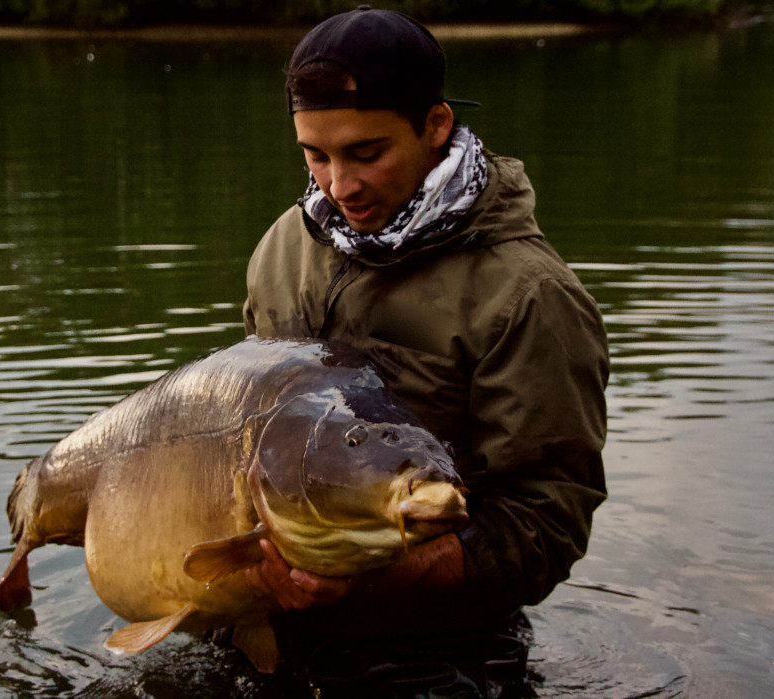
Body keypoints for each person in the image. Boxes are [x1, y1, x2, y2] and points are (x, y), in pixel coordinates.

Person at [241, 6, 609, 697]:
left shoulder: (527, 294)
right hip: (268, 619)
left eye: (366, 152)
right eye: (315, 155)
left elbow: (547, 520)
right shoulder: (281, 248)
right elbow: (243, 424)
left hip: (435, 647)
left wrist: (366, 573)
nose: (337, 187)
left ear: (435, 126)